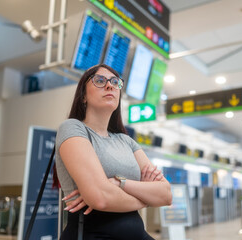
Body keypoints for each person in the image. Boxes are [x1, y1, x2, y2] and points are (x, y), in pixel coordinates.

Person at [54, 64, 172, 239]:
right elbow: (101, 198)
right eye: (100, 81)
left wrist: (120, 183)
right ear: (83, 96)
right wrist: (147, 198)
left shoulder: (125, 140)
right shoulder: (73, 128)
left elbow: (166, 195)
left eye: (115, 82)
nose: (109, 85)